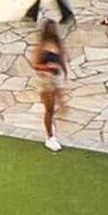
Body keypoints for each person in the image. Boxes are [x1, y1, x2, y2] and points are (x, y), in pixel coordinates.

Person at [33, 20, 68, 152]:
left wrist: (63, 72)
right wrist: (48, 68)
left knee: (56, 106)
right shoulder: (41, 47)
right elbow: (35, 65)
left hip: (55, 79)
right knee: (49, 109)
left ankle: (51, 130)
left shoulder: (57, 44)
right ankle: (50, 137)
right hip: (45, 80)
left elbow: (62, 59)